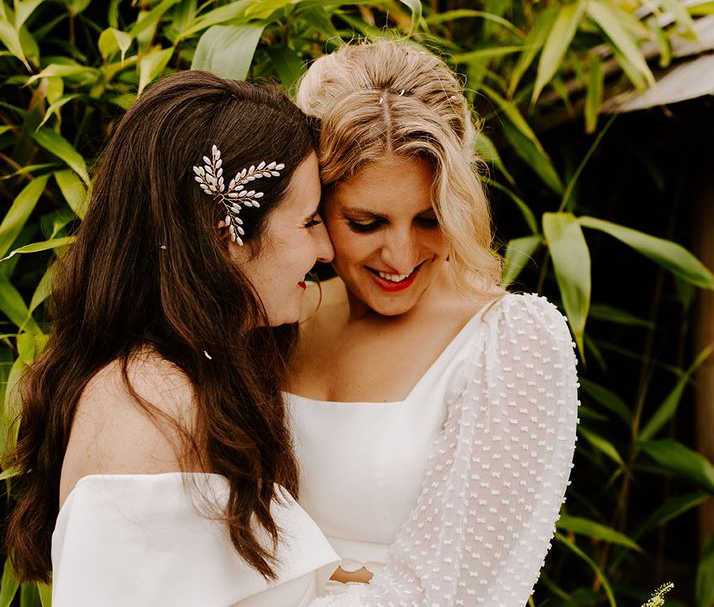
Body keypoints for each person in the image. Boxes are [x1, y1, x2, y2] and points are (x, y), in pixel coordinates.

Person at [3, 71, 340, 606]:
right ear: (224, 235)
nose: (325, 249)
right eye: (309, 221)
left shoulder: (186, 383)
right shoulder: (150, 413)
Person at [286, 40, 580, 606]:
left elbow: (459, 593)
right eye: (366, 223)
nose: (400, 256)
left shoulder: (510, 343)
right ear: (315, 205)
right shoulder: (277, 318)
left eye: (429, 218)